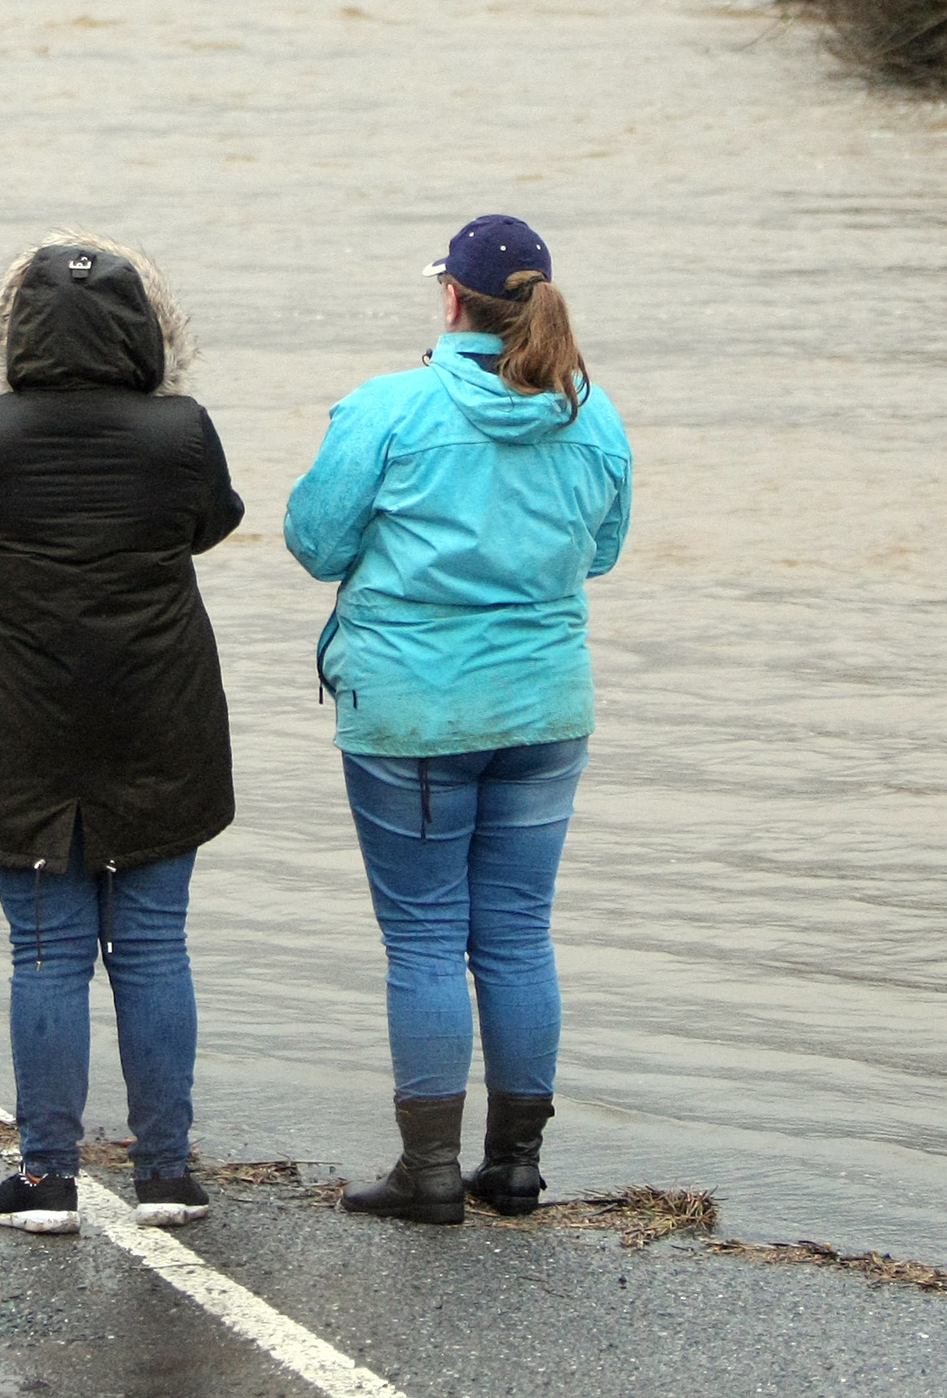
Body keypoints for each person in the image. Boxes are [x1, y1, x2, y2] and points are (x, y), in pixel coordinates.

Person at [284, 214, 631, 1226]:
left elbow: (314, 540)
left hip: (414, 712)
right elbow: (601, 550)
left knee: (428, 936)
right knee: (518, 933)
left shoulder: (390, 409)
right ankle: (515, 1167)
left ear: (450, 299)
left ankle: (429, 1171)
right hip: (545, 706)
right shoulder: (591, 413)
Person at [0, 234, 246, 1237]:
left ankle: (47, 1178)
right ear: (145, 331)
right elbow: (212, 524)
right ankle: (165, 1175)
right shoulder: (179, 431)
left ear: (18, 329)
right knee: (153, 947)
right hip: (158, 710)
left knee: (45, 954)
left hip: (19, 716)